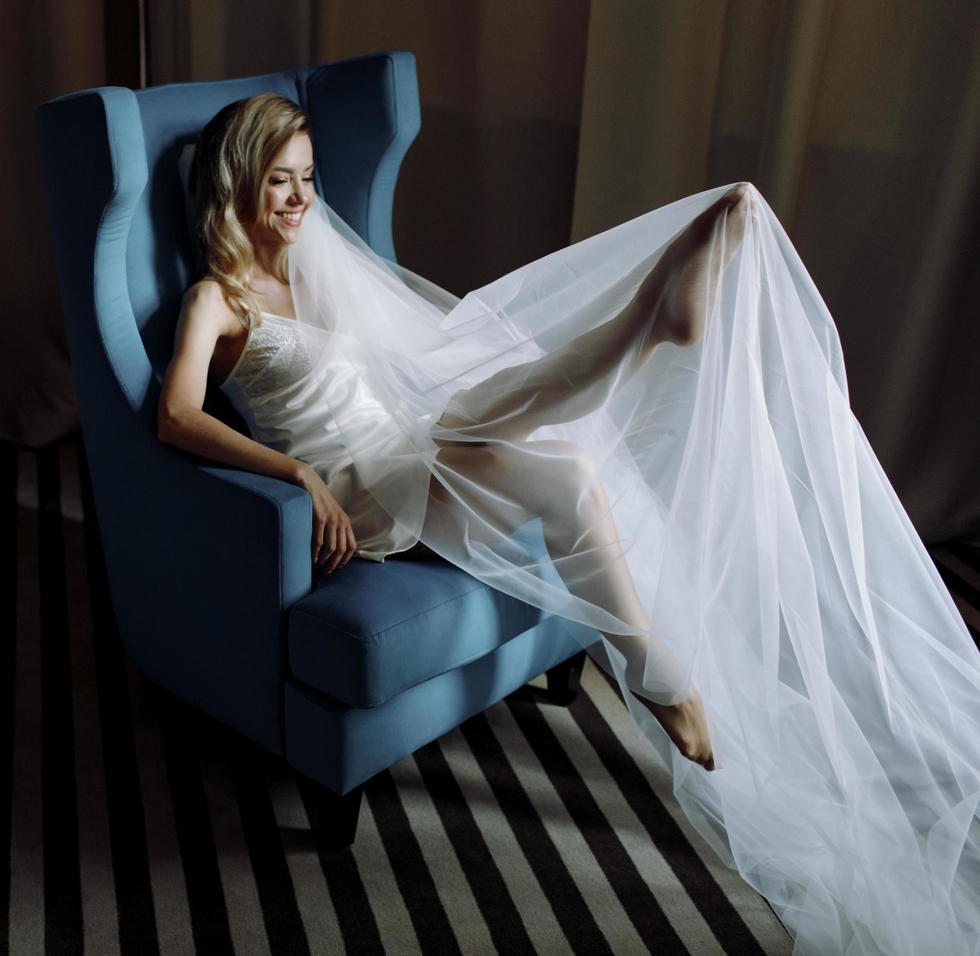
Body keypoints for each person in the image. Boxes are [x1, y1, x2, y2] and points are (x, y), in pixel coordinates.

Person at [159, 93, 980, 955]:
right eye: (280, 181)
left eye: (310, 181)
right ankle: (641, 332)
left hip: (403, 438)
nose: (300, 201)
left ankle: (653, 643)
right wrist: (294, 475)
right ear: (237, 183)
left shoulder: (314, 273)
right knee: (514, 439)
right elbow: (177, 416)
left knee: (568, 468)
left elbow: (389, 370)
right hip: (354, 484)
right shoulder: (218, 298)